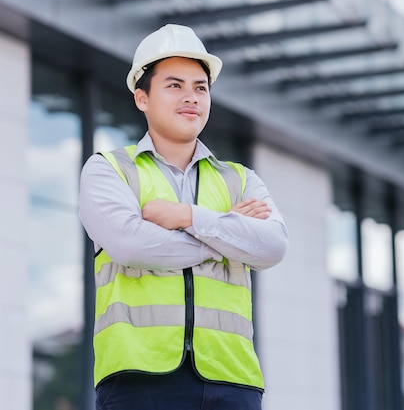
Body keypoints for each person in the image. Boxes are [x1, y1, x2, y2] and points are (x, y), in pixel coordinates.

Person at [79, 24, 288, 410]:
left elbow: (272, 247)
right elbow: (132, 245)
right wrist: (226, 231)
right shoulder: (110, 170)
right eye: (175, 86)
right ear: (142, 98)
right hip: (138, 378)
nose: (191, 98)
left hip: (232, 378)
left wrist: (186, 215)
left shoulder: (241, 179)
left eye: (200, 88)